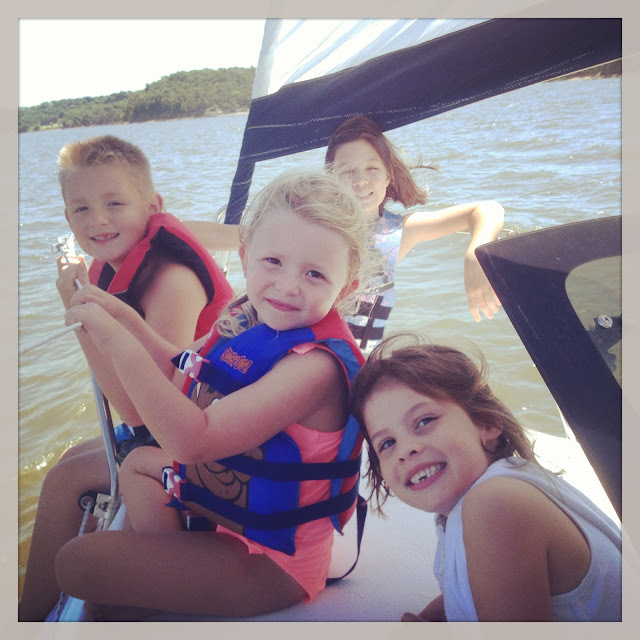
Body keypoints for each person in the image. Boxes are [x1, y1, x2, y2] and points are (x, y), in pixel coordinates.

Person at [34, 169, 371, 621]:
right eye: (273, 262)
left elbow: (191, 442)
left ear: (345, 288)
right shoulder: (251, 318)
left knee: (77, 563)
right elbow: (180, 368)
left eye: (314, 273)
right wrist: (117, 315)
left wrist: (115, 342)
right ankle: (171, 579)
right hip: (226, 517)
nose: (289, 284)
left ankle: (160, 590)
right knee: (138, 464)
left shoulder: (314, 369)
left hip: (274, 564)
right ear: (246, 256)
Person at [18, 135, 233, 622]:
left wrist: (79, 315)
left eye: (114, 203)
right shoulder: (113, 267)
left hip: (209, 443)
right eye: (81, 209)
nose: (97, 220)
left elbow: (143, 415)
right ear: (67, 217)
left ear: (152, 207)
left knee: (66, 480)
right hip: (171, 426)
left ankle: (27, 620)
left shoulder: (171, 279)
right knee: (68, 462)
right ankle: (29, 619)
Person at [350, 333, 622, 622]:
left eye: (424, 421)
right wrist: (432, 616)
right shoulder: (480, 500)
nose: (406, 449)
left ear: (487, 421)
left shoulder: (494, 504)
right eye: (387, 443)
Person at [186, 115, 505, 352]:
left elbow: (486, 209)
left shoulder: (399, 232)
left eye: (372, 169)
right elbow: (201, 234)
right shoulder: (307, 231)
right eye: (347, 171)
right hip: (284, 357)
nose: (360, 180)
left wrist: (476, 253)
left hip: (350, 368)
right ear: (331, 178)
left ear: (388, 176)